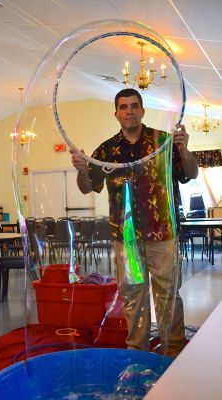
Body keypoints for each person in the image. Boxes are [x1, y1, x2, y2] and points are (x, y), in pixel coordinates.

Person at [70, 88, 198, 357]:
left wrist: (183, 148)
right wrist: (82, 171)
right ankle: (136, 353)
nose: (129, 110)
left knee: (168, 295)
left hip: (162, 232)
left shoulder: (163, 141)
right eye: (123, 106)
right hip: (125, 237)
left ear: (142, 110)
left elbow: (190, 172)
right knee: (132, 296)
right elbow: (87, 187)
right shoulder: (106, 150)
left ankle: (172, 353)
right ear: (116, 113)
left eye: (134, 105)